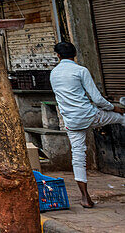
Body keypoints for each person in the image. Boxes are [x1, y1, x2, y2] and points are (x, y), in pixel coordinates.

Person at [49, 41, 125, 208]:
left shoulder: (53, 73)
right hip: (90, 115)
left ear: (58, 56)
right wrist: (115, 108)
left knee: (78, 156)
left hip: (71, 121)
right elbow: (97, 99)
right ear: (74, 55)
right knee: (121, 118)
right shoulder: (80, 70)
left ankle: (85, 197)